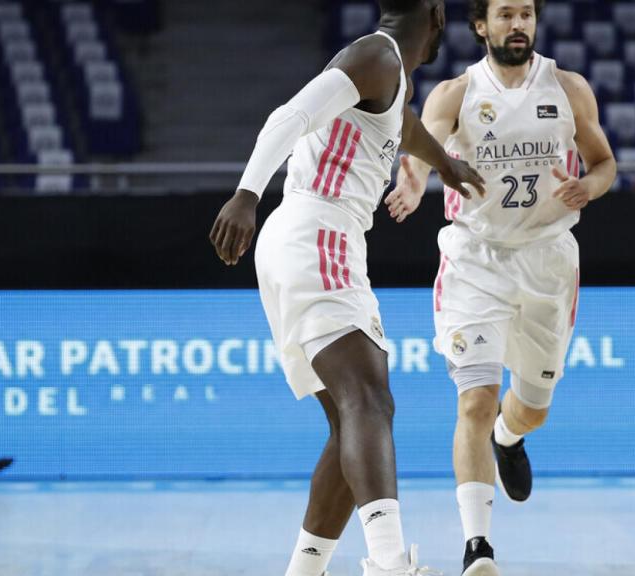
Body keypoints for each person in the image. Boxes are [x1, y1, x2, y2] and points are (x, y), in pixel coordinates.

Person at [209, 2, 485, 575]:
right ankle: (389, 564)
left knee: (348, 419)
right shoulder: (375, 54)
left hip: (307, 240)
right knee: (370, 399)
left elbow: (402, 126)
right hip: (319, 231)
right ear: (436, 14)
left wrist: (445, 165)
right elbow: (288, 116)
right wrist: (247, 194)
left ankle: (304, 569)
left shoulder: (386, 75)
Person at [384, 1, 616, 573]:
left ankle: (511, 440)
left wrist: (590, 187)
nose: (519, 25)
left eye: (527, 14)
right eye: (506, 14)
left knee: (530, 409)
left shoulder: (568, 87)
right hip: (476, 261)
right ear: (482, 26)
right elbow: (419, 151)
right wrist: (412, 185)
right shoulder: (455, 94)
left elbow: (606, 163)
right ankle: (477, 547)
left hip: (546, 262)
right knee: (475, 400)